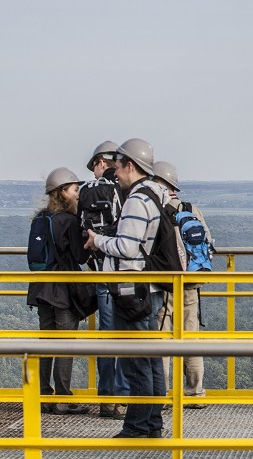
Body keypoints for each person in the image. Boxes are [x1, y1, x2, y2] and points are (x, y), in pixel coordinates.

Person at [84, 138, 172, 438]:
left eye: (117, 167)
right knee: (150, 360)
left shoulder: (137, 199)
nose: (114, 173)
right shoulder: (156, 195)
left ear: (130, 166)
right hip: (149, 289)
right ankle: (153, 424)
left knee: (137, 362)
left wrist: (97, 240)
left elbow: (127, 246)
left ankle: (137, 426)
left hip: (133, 289)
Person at [27, 167, 90, 415]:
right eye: (75, 189)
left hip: (41, 289)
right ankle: (62, 398)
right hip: (62, 291)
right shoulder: (69, 221)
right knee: (64, 344)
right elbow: (79, 256)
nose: (78, 194)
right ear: (63, 192)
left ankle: (43, 396)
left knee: (46, 343)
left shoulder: (40, 218)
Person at [152, 160, 210, 409]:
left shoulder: (156, 209)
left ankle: (162, 394)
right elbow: (207, 241)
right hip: (191, 283)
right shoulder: (190, 208)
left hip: (165, 285)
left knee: (164, 339)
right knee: (191, 337)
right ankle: (195, 392)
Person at [79, 140, 129, 419]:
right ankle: (121, 398)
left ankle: (107, 399)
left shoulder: (85, 191)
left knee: (106, 338)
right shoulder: (121, 190)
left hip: (99, 272)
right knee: (123, 337)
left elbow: (80, 235)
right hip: (122, 273)